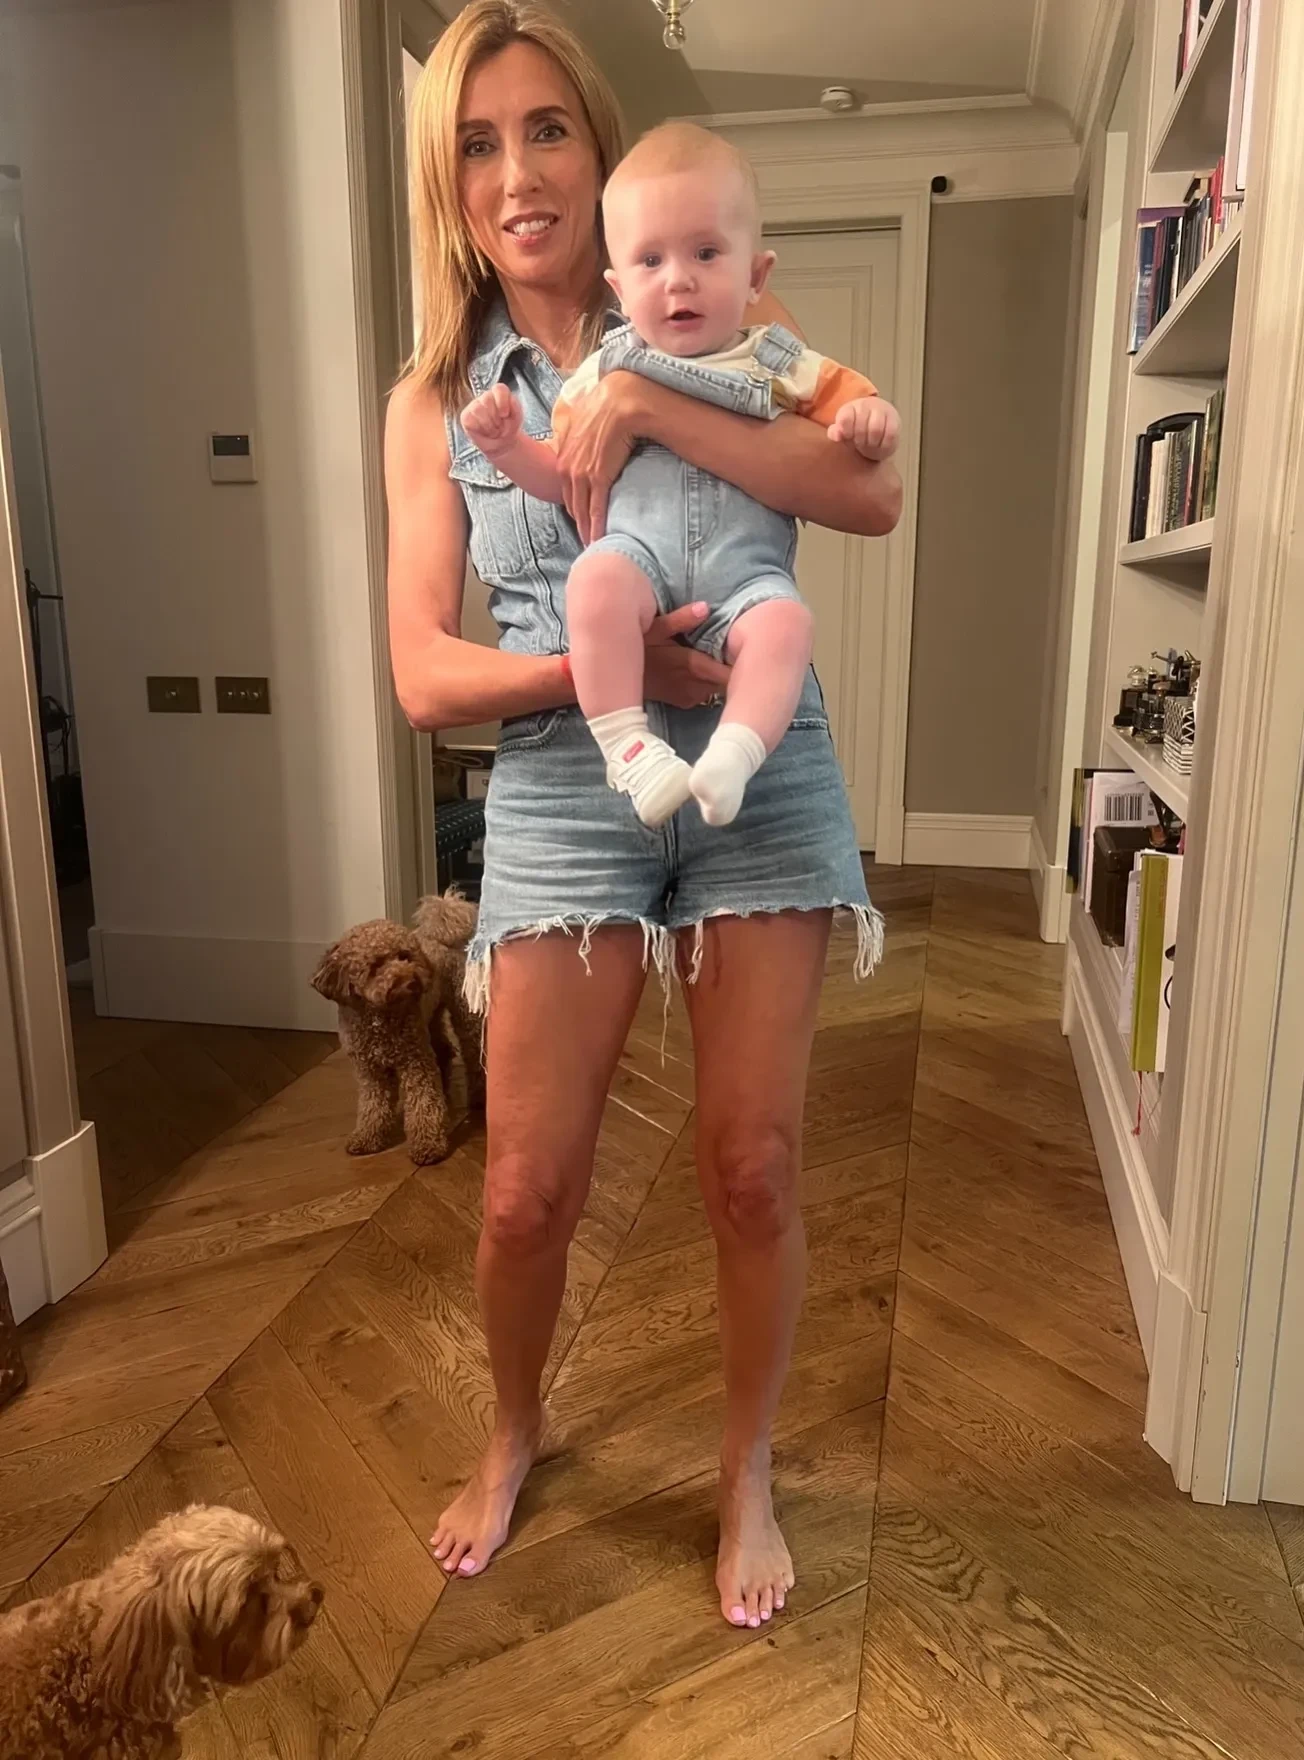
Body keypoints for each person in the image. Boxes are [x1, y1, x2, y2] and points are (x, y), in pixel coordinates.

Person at [386, 0, 902, 1631]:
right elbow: (423, 673)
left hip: (763, 766)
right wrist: (604, 677)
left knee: (753, 1168)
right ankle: (513, 1429)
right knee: (525, 1189)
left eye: (545, 128)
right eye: (479, 143)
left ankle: (745, 1471)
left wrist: (655, 407)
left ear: (596, 150)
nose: (518, 172)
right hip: (567, 781)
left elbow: (872, 490)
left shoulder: (722, 304)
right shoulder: (436, 400)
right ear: (451, 181)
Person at [460, 122, 901, 831]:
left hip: (748, 582)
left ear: (756, 276)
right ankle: (629, 748)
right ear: (620, 287)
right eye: (651, 260)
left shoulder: (775, 359)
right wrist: (509, 447)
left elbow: (856, 413)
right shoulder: (600, 373)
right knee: (594, 582)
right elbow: (561, 478)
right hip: (639, 564)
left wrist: (871, 419)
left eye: (706, 253)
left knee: (788, 625)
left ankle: (736, 752)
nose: (679, 279)